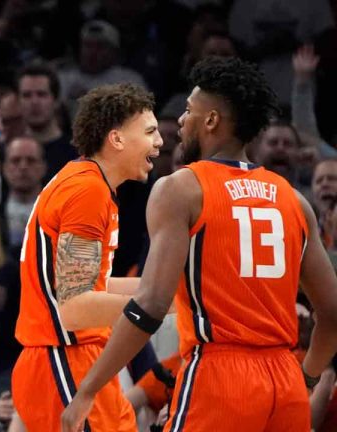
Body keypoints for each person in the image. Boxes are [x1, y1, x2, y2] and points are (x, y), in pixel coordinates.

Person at [62, 57, 337, 432]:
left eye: (189, 111)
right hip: (285, 383)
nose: (179, 122)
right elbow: (333, 314)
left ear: (211, 122)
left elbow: (150, 305)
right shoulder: (294, 200)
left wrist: (88, 389)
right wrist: (304, 378)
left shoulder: (181, 188)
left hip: (220, 377)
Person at [11, 82, 162, 431]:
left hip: (72, 359)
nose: (160, 142)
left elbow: (90, 282)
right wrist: (157, 301)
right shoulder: (87, 191)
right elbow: (75, 306)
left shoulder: (86, 183)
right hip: (64, 357)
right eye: (150, 132)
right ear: (117, 139)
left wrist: (170, 288)